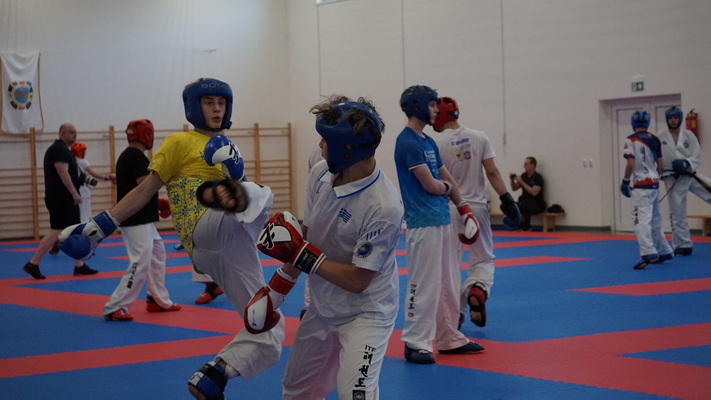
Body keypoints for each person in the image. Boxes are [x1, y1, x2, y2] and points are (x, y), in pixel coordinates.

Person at [58, 78, 280, 399]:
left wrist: (237, 172)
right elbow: (145, 190)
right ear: (194, 107)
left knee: (268, 324)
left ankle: (214, 374)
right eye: (209, 102)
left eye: (221, 102)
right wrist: (99, 227)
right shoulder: (178, 142)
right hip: (201, 226)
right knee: (260, 192)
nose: (217, 108)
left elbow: (242, 199)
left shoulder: (229, 145)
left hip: (234, 244)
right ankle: (274, 230)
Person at [245, 95, 405, 399]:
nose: (320, 146)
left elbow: (358, 280)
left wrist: (301, 255)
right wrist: (276, 290)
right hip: (322, 306)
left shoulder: (383, 207)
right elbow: (306, 237)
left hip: (366, 313)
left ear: (347, 149)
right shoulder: (321, 173)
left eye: (325, 140)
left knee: (356, 394)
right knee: (296, 391)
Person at [394, 85, 484, 365]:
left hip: (442, 218)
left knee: (449, 282)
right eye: (433, 105)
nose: (436, 110)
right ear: (418, 106)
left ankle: (449, 337)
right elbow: (431, 184)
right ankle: (415, 341)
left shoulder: (428, 141)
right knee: (423, 284)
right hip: (422, 224)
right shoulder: (407, 142)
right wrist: (446, 188)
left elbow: (445, 178)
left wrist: (464, 209)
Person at [432, 96, 521, 329]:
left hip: (450, 208)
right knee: (483, 258)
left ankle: (455, 314)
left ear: (438, 116)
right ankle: (478, 288)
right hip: (478, 208)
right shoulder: (479, 137)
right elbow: (492, 172)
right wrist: (507, 200)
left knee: (450, 265)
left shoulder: (435, 142)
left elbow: (432, 179)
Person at [102, 119, 181, 321]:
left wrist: (157, 203)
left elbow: (138, 189)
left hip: (141, 217)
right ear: (146, 134)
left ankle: (157, 298)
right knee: (140, 262)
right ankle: (115, 306)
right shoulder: (135, 156)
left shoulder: (131, 155)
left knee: (157, 254)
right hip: (135, 218)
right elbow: (145, 186)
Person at [21, 123, 98, 279]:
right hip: (61, 198)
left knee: (74, 231)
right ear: (62, 134)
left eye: (75, 132)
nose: (75, 135)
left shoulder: (64, 150)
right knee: (57, 231)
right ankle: (33, 263)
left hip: (63, 197)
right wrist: (74, 193)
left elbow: (72, 173)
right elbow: (63, 172)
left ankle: (79, 265)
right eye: (71, 132)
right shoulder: (58, 149)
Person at [620, 110, 673, 269]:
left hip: (640, 186)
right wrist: (655, 177)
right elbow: (661, 166)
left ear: (633, 122)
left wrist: (625, 181)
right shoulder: (655, 139)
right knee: (655, 218)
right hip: (654, 184)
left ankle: (648, 252)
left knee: (639, 220)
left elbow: (630, 164)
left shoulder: (630, 140)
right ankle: (664, 250)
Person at [658, 106, 711, 256]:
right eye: (670, 118)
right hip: (672, 177)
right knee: (677, 210)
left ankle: (682, 243)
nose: (673, 120)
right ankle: (683, 244)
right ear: (667, 119)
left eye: (676, 118)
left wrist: (687, 162)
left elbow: (697, 155)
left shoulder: (689, 135)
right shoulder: (660, 137)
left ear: (680, 119)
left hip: (690, 173)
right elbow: (656, 156)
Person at [70, 141, 115, 223]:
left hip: (74, 189)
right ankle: (85, 226)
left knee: (78, 211)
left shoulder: (70, 161)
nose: (85, 153)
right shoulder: (83, 162)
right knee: (85, 212)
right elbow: (93, 174)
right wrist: (106, 177)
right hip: (83, 190)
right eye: (83, 151)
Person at [510, 156, 546, 231]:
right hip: (524, 201)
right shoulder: (524, 176)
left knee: (527, 205)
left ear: (532, 165)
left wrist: (522, 182)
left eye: (526, 164)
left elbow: (534, 193)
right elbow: (514, 188)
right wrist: (512, 180)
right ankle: (516, 224)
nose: (524, 166)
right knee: (510, 205)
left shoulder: (538, 177)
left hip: (537, 203)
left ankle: (526, 227)